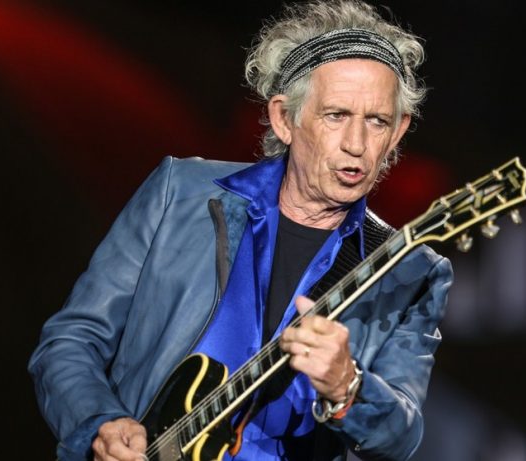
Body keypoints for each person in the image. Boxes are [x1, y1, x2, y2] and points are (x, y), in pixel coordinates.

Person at [28, 1, 453, 460]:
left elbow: (401, 437)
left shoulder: (408, 270)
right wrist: (101, 422)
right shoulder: (179, 193)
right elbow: (72, 341)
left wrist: (347, 386)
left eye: (377, 121)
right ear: (284, 119)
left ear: (398, 131)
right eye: (336, 115)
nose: (357, 144)